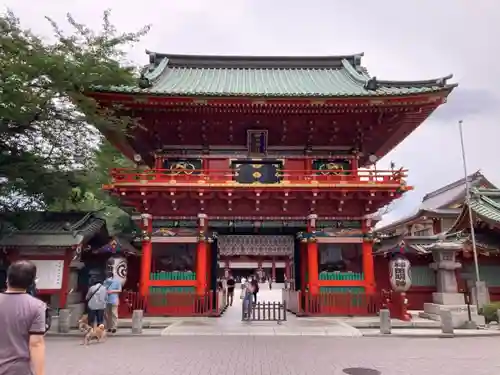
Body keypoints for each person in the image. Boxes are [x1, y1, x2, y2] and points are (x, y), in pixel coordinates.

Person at [0, 260, 46, 375]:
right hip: (17, 370)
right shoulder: (37, 307)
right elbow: (36, 343)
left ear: (7, 279)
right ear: (31, 283)